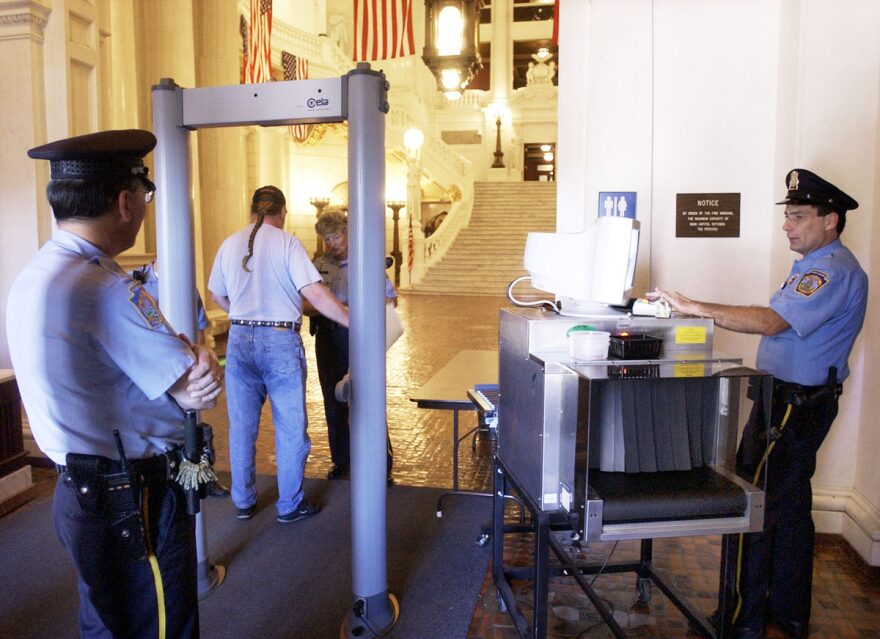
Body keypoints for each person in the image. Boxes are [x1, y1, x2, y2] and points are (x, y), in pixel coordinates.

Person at [7, 129, 223, 638]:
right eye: (145, 195)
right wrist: (202, 354)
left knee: (107, 621)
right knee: (160, 621)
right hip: (133, 495)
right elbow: (194, 390)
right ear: (125, 202)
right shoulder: (106, 287)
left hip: (81, 490)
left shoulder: (36, 272)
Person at [651, 169, 868, 639]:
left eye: (798, 216)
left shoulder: (830, 270)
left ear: (830, 220)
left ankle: (740, 620)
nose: (787, 225)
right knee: (787, 508)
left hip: (794, 404)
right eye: (788, 216)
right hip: (790, 399)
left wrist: (696, 307)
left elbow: (772, 322)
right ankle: (786, 612)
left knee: (754, 504)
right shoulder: (815, 265)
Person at [208, 185, 349, 524]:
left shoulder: (229, 243)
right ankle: (289, 504)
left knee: (242, 427)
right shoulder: (287, 243)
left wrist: (243, 313)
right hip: (280, 339)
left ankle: (243, 501)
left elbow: (217, 296)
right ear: (282, 213)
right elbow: (314, 292)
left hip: (239, 339)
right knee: (290, 427)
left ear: (252, 211)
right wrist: (352, 320)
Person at [306, 210, 396, 484]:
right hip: (327, 336)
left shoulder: (367, 260)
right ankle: (341, 460)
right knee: (333, 398)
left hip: (360, 336)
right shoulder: (318, 266)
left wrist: (363, 308)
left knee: (368, 397)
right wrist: (330, 307)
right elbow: (306, 304)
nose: (332, 243)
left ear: (347, 232)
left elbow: (390, 299)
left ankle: (380, 462)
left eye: (336, 236)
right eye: (326, 238)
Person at [130, 260, 230, 498]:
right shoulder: (135, 285)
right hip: (151, 372)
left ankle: (203, 476)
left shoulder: (186, 285)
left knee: (194, 426)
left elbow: (200, 327)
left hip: (183, 368)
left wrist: (200, 363)